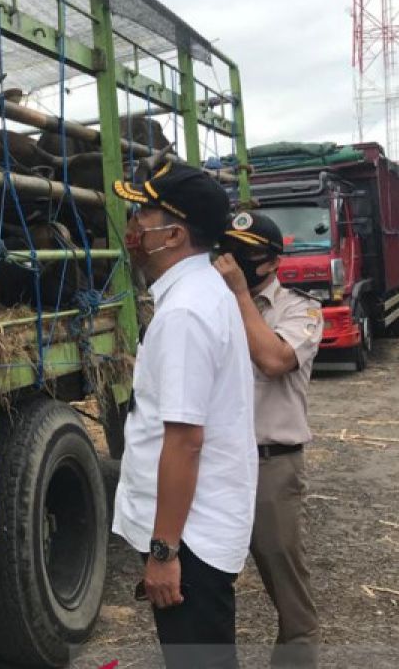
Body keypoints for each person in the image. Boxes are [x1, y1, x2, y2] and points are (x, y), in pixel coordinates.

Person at [111, 163, 257, 669]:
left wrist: (164, 552)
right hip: (197, 528)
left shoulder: (184, 314)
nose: (131, 228)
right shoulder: (201, 294)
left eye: (141, 214)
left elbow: (185, 440)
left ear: (172, 234)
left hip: (189, 540)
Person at [215, 212, 323, 668]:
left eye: (247, 252)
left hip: (270, 467)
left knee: (286, 586)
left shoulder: (301, 310)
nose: (235, 259)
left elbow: (274, 359)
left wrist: (239, 293)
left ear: (272, 261)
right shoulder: (212, 306)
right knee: (208, 580)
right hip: (218, 466)